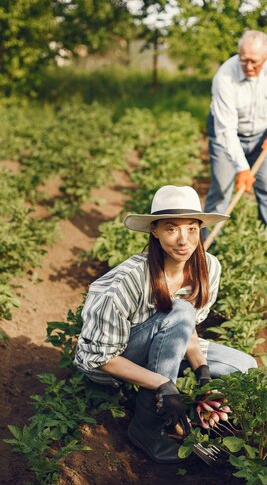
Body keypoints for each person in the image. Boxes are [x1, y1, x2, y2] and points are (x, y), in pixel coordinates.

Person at [74, 185, 257, 464]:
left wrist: (203, 373)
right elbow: (98, 358)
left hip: (166, 345)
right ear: (154, 231)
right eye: (171, 229)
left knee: (245, 367)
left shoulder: (208, 267)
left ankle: (192, 416)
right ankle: (149, 429)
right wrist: (163, 385)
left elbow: (186, 328)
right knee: (180, 311)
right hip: (117, 358)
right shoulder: (129, 280)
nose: (183, 240)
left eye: (192, 229)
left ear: (199, 230)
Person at [203, 30, 267, 269]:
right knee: (222, 192)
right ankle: (206, 253)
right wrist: (242, 169)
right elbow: (226, 129)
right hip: (226, 136)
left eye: (253, 61)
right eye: (242, 58)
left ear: (266, 56)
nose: (247, 65)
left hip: (262, 134)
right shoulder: (225, 76)